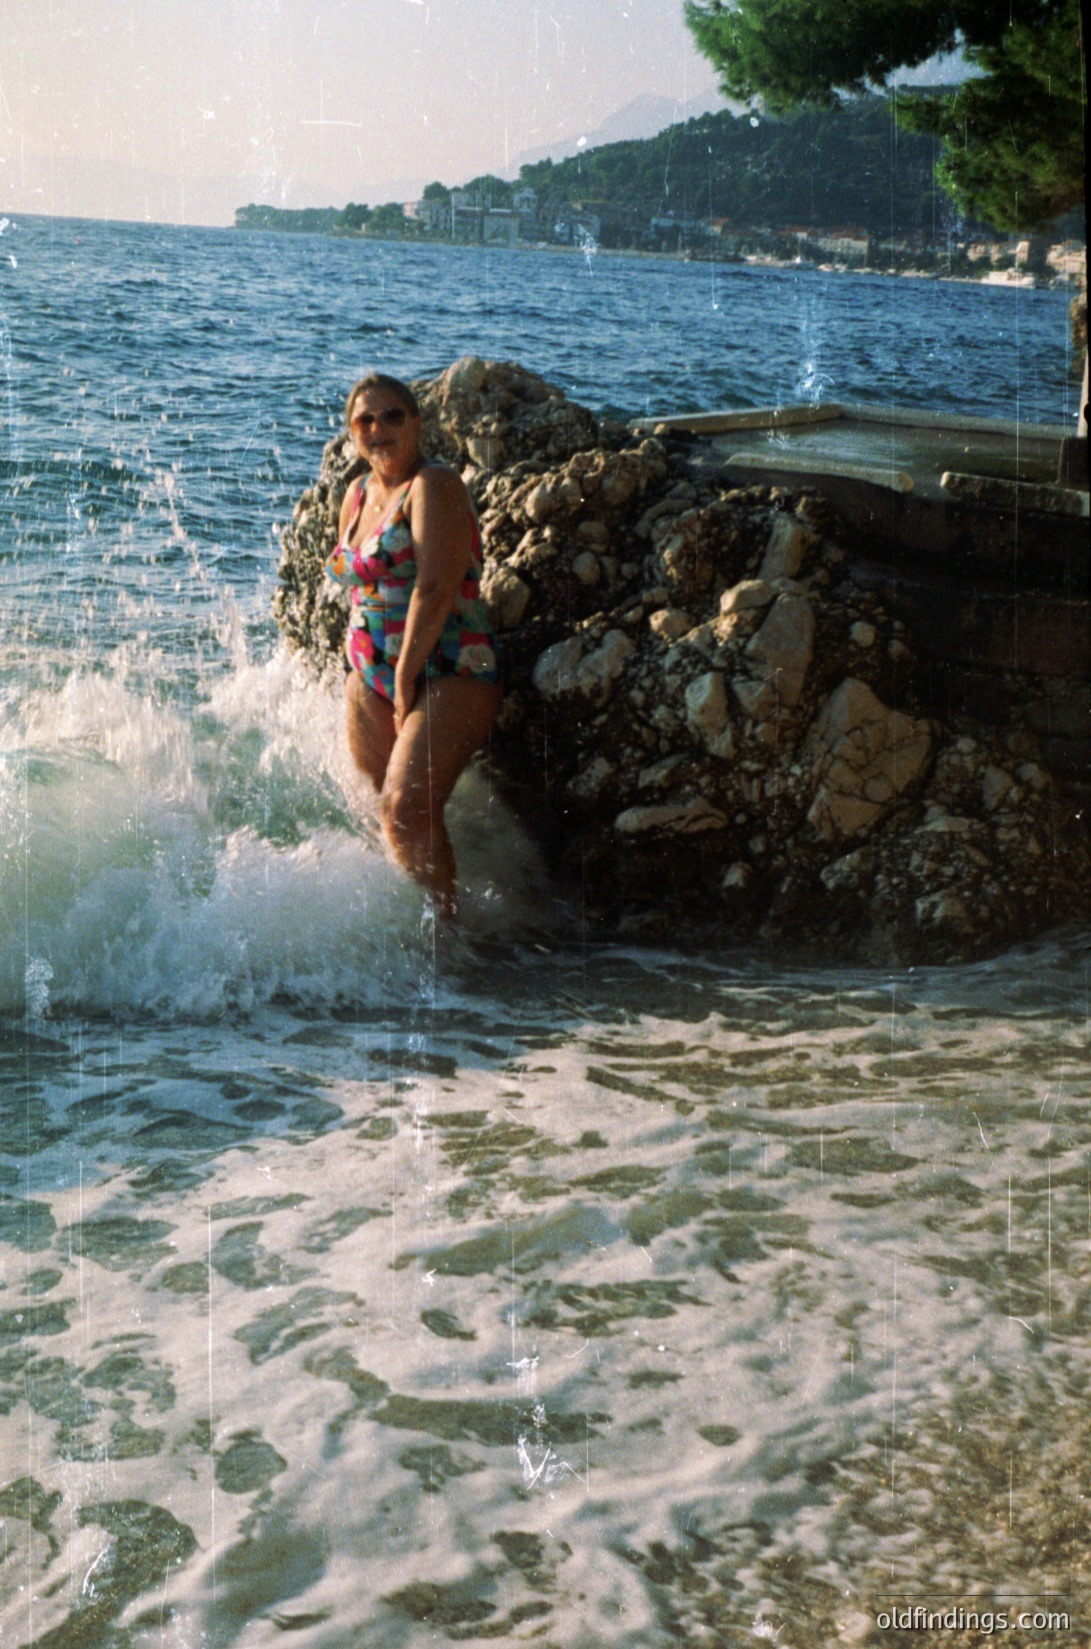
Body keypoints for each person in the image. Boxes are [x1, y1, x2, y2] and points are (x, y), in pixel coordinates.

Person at [326, 373, 502, 917]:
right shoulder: (356, 493)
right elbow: (357, 585)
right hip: (370, 676)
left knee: (405, 809)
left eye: (392, 416)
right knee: (385, 812)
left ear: (417, 422)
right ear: (353, 432)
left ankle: (445, 951)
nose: (378, 428)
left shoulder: (434, 485)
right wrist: (365, 673)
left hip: (447, 668)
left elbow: (435, 586)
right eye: (365, 420)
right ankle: (411, 940)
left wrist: (404, 678)